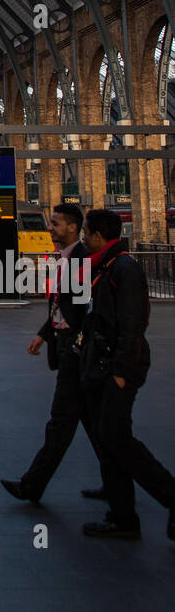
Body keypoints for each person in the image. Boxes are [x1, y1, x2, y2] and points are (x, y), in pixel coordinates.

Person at [77, 209, 175, 542]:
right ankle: (122, 516)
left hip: (119, 368)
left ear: (98, 236)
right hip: (103, 364)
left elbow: (133, 324)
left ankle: (169, 497)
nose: (82, 237)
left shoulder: (124, 268)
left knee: (118, 439)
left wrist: (120, 373)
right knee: (111, 439)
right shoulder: (107, 266)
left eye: (85, 231)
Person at [1, 203, 100, 503]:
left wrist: (70, 343)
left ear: (72, 227)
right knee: (96, 426)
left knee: (61, 421)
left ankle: (32, 485)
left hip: (75, 352)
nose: (50, 229)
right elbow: (63, 304)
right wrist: (44, 335)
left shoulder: (80, 260)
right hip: (68, 346)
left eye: (55, 224)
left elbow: (81, 310)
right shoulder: (68, 258)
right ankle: (117, 482)